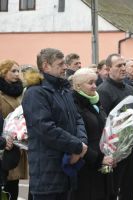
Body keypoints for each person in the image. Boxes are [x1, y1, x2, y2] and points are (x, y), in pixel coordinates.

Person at [22, 48, 88, 200]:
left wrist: (81, 144)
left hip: (67, 169)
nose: (65, 67)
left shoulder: (63, 91)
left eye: (65, 63)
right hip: (47, 172)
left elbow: (77, 119)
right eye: (60, 64)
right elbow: (45, 128)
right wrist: (76, 147)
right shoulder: (36, 93)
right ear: (46, 66)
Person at [97, 53, 133, 200]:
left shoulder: (131, 90)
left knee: (130, 189)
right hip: (113, 152)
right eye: (118, 65)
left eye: (123, 65)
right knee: (111, 191)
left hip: (130, 149)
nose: (123, 68)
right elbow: (103, 123)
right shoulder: (103, 90)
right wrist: (109, 152)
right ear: (108, 69)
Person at [71, 68, 114, 200]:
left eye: (95, 82)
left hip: (103, 164)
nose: (95, 86)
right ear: (78, 85)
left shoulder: (95, 102)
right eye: (90, 83)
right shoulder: (74, 105)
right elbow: (77, 140)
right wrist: (98, 159)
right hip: (85, 168)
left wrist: (112, 153)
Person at [0, 59, 28, 200]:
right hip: (4, 143)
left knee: (14, 182)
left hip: (18, 142)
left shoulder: (22, 91)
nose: (17, 74)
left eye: (19, 71)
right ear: (3, 73)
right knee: (5, 182)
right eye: (13, 71)